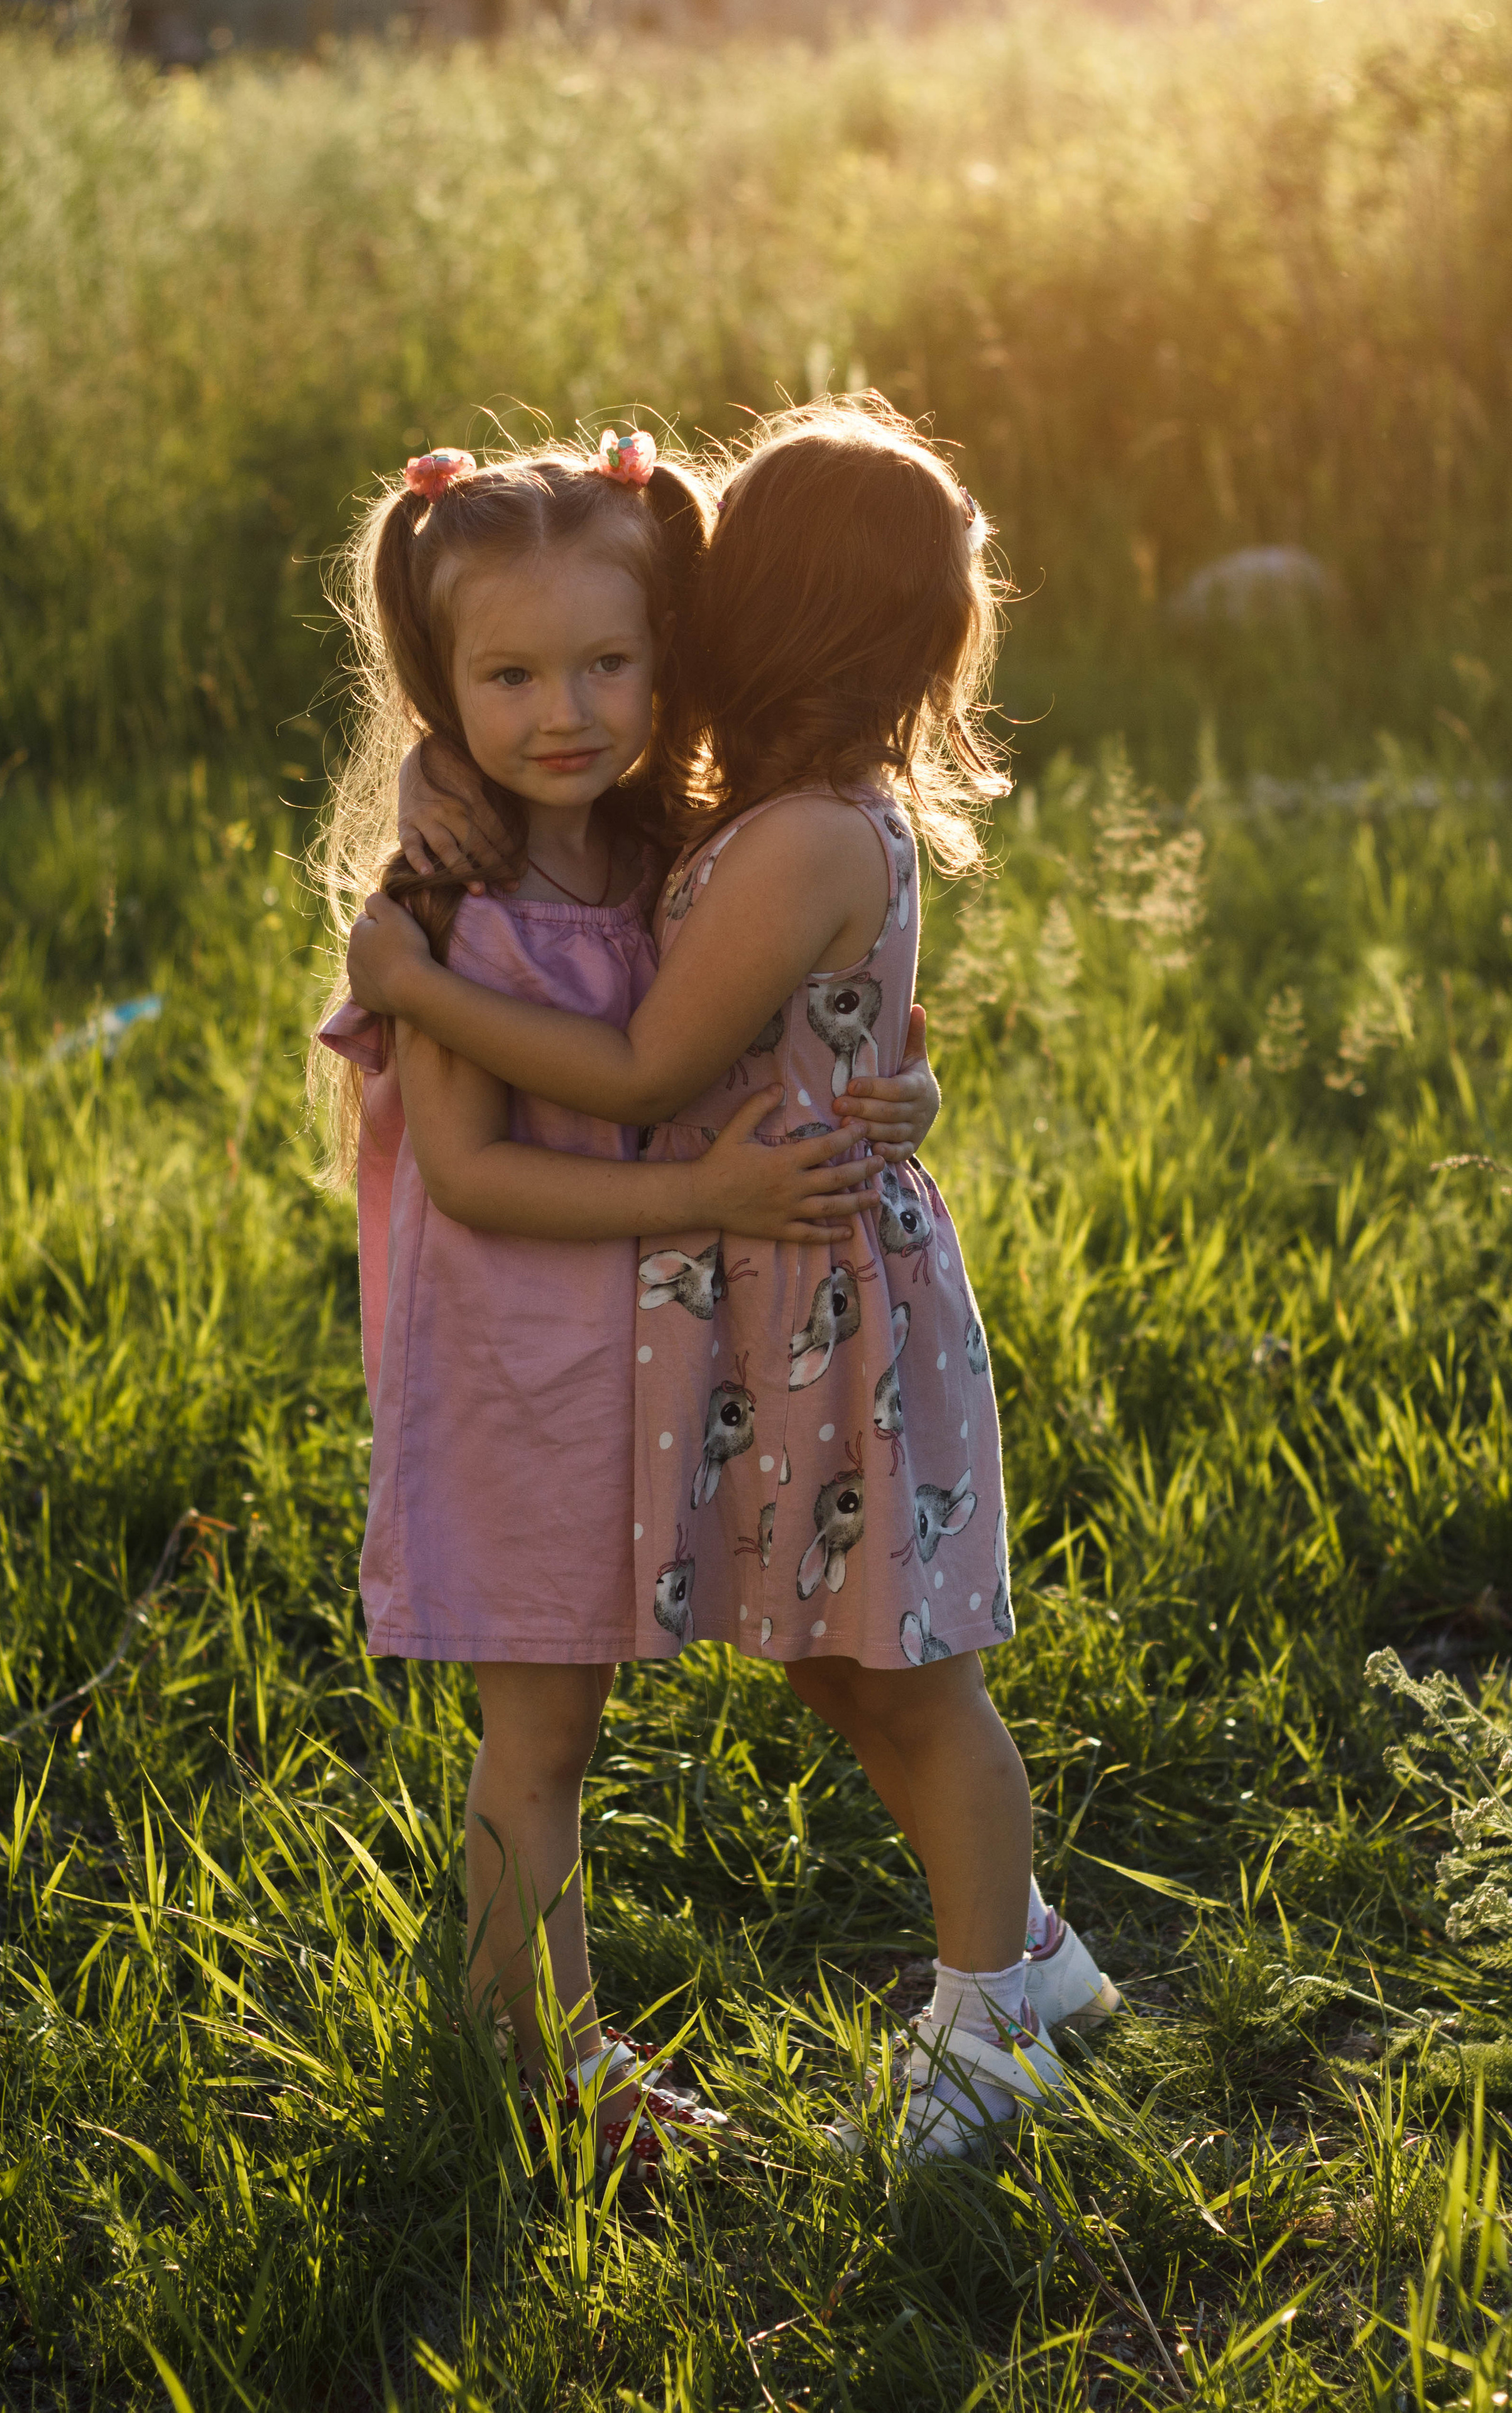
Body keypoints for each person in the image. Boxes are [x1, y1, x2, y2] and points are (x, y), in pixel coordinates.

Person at [346, 402, 1119, 2163]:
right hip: (561, 1354)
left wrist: (878, 1084)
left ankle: (1002, 1989)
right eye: (511, 681)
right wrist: (419, 864)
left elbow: (701, 1035)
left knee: (873, 1667)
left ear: (705, 631)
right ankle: (546, 2075)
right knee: (638, 1713)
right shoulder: (496, 880)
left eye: (614, 662)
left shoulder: (697, 832)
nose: (569, 708)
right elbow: (480, 1157)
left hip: (731, 1326)